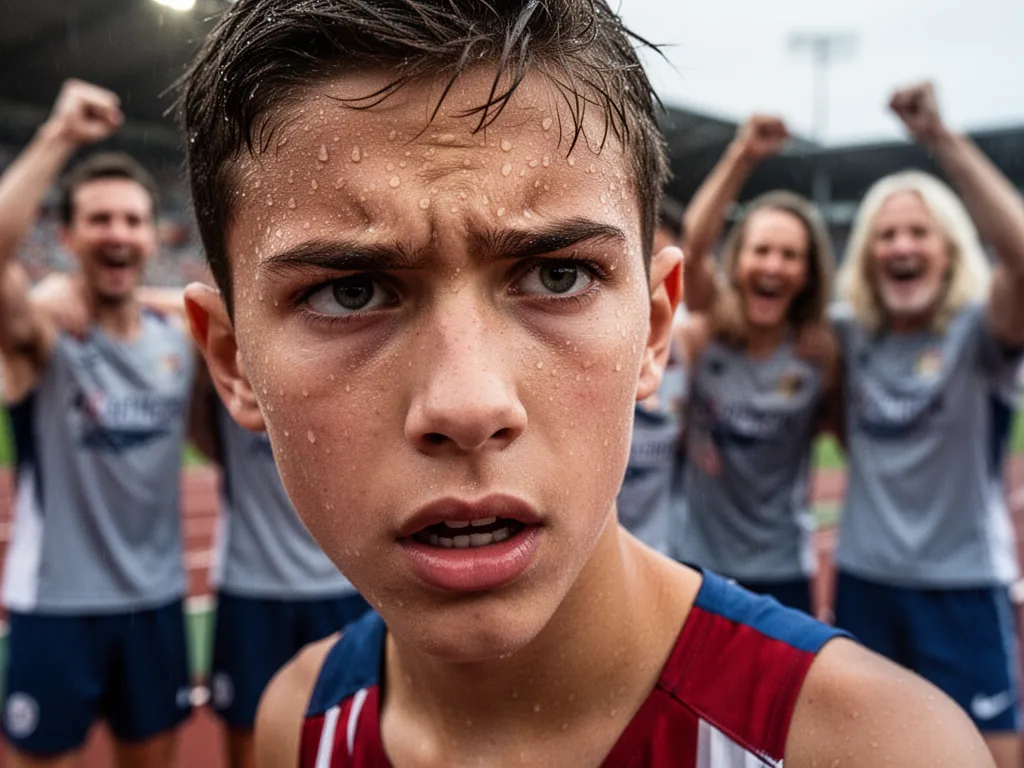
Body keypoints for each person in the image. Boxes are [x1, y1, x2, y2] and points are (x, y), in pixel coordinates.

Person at [179, 1, 992, 765]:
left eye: (558, 275)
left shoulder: (879, 748)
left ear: (656, 328)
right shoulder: (303, 720)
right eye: (348, 291)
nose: (470, 405)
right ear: (231, 358)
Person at [0, 80, 194, 767]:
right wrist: (58, 135)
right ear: (67, 235)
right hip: (57, 603)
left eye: (134, 221)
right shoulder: (45, 338)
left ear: (154, 235)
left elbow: (237, 309)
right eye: (101, 219)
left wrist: (147, 296)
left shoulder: (178, 339)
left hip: (156, 599)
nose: (119, 233)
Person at [832, 82, 1024, 768]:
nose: (901, 246)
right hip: (865, 582)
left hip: (962, 587)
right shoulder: (851, 336)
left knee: (991, 757)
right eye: (886, 235)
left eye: (919, 233)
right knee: (863, 752)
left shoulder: (980, 334)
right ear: (867, 254)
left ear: (949, 253)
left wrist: (940, 136)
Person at [670, 115, 838, 615]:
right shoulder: (709, 331)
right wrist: (743, 154)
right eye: (761, 250)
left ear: (807, 275)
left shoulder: (822, 353)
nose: (773, 265)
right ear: (738, 261)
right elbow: (693, 248)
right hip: (697, 562)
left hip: (784, 565)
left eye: (790, 255)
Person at [191, 368, 372, 768]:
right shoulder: (228, 373)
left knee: (353, 735)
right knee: (248, 737)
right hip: (252, 583)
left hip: (342, 578)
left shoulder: (350, 362)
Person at [616, 197, 687, 555]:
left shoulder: (691, 344)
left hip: (665, 553)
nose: (650, 275)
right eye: (641, 258)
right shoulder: (585, 347)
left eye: (658, 257)